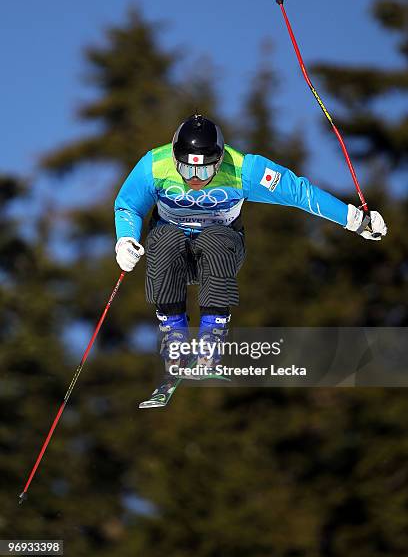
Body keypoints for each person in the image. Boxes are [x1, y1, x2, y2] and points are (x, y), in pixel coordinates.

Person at [114, 113, 387, 398]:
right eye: (185, 169)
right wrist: (126, 240)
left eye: (206, 172)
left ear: (218, 162)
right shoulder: (154, 166)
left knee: (215, 238)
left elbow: (298, 192)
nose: (195, 178)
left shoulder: (244, 169)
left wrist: (356, 220)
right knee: (163, 237)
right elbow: (127, 205)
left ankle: (211, 339)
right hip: (173, 256)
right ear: (174, 158)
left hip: (222, 252)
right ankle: (175, 341)